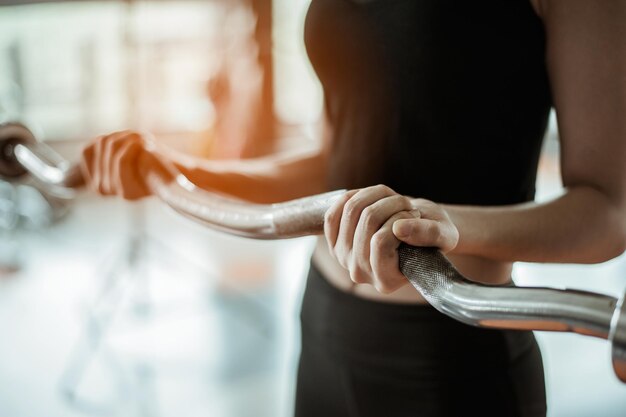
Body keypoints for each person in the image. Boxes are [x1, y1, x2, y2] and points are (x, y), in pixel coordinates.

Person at [81, 0, 626, 416]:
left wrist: (443, 222)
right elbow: (338, 160)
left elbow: (607, 211)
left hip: (451, 354)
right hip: (323, 321)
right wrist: (178, 169)